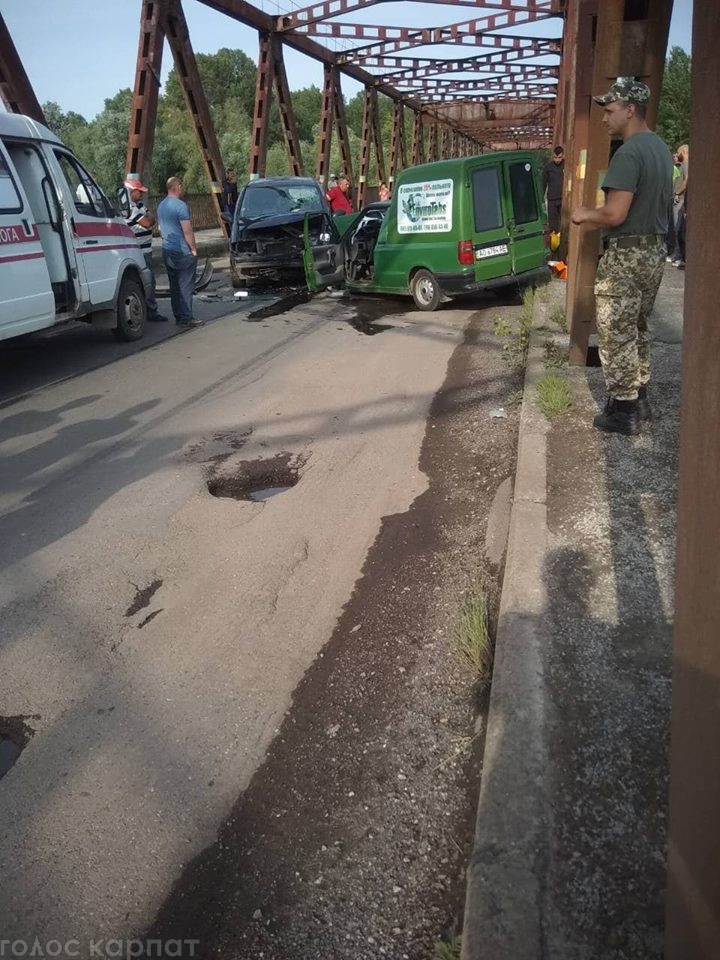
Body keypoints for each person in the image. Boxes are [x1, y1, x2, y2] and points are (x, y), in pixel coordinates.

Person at [572, 77, 673, 436]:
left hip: (627, 254)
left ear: (630, 110)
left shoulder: (628, 153)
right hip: (654, 252)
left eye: (610, 111)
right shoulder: (660, 148)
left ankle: (623, 411)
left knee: (616, 330)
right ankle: (639, 396)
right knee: (639, 327)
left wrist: (586, 214)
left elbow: (615, 214)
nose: (604, 119)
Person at [156, 177, 202, 327]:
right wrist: (193, 249)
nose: (183, 189)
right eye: (181, 186)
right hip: (182, 251)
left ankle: (179, 316)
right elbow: (187, 231)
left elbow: (160, 228)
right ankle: (187, 317)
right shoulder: (181, 206)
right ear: (178, 187)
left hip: (167, 250)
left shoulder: (161, 206)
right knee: (186, 285)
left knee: (174, 286)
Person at [124, 177, 165, 322]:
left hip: (146, 249)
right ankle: (151, 311)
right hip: (140, 251)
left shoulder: (139, 205)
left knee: (149, 281)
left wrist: (149, 217)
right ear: (131, 192)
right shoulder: (132, 209)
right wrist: (149, 218)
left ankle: (150, 309)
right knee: (148, 282)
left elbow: (150, 217)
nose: (141, 194)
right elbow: (149, 222)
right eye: (138, 192)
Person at [543, 145, 565, 234]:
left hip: (563, 199)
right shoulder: (548, 167)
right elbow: (543, 183)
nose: (557, 160)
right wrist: (542, 197)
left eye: (559, 157)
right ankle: (554, 244)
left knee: (564, 222)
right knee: (553, 224)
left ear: (563, 156)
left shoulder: (567, 165)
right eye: (555, 157)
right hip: (552, 199)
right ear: (553, 156)